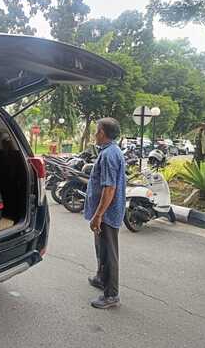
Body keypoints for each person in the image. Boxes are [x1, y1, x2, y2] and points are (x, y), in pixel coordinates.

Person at [84, 117, 126, 309]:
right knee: (101, 248)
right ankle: (101, 278)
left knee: (109, 253)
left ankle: (111, 295)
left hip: (107, 215)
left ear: (102, 133)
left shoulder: (110, 155)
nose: (94, 134)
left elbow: (109, 189)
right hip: (104, 213)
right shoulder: (109, 151)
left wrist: (98, 215)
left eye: (96, 130)